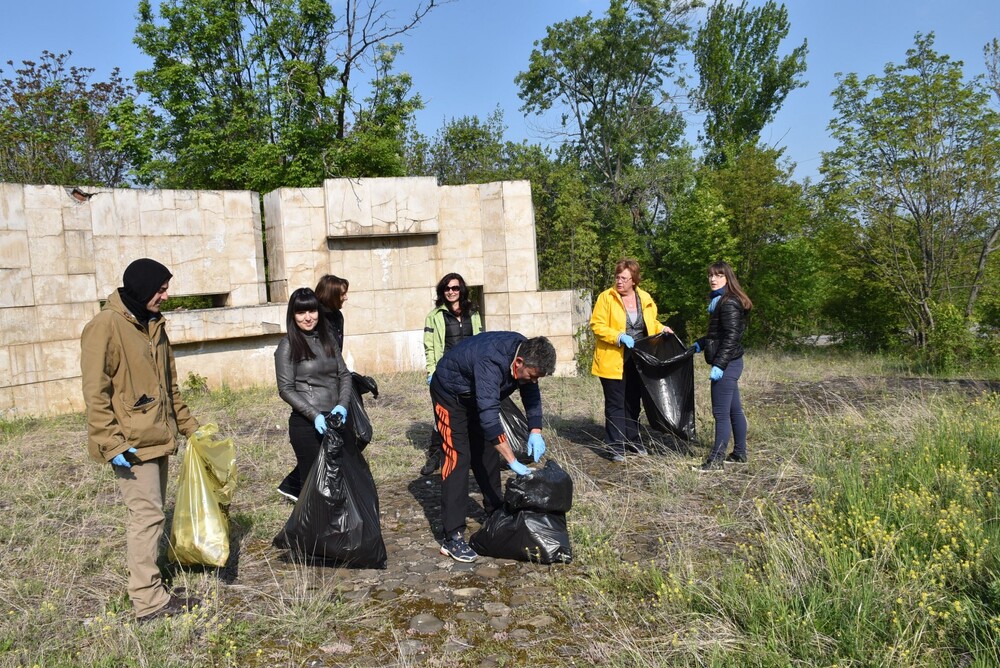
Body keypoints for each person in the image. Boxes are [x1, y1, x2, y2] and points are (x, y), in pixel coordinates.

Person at [80, 258, 202, 622]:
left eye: (166, 288)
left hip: (158, 436)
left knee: (151, 516)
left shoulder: (154, 325)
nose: (166, 295)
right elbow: (95, 393)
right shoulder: (104, 327)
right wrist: (112, 443)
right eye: (160, 289)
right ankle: (148, 603)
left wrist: (190, 427)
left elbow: (170, 386)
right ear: (141, 288)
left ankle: (152, 585)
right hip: (131, 445)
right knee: (146, 517)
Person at [431, 332, 556, 562]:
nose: (533, 381)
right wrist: (512, 460)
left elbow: (531, 395)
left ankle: (495, 511)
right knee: (457, 458)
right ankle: (452, 537)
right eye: (532, 375)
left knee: (488, 454)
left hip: (476, 393)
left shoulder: (526, 354)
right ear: (518, 363)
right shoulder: (492, 361)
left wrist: (535, 430)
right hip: (450, 393)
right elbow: (489, 419)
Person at [590, 259, 673, 462]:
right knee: (616, 402)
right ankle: (615, 446)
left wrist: (662, 328)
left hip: (638, 360)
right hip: (613, 359)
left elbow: (650, 322)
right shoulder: (606, 298)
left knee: (633, 402)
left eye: (624, 278)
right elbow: (597, 325)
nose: (619, 282)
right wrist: (618, 336)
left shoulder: (644, 298)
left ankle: (632, 440)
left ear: (634, 280)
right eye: (617, 277)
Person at [274, 287, 352, 501]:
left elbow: (344, 375)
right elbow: (285, 389)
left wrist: (342, 406)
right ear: (293, 315)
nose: (308, 318)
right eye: (301, 313)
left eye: (312, 311)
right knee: (315, 488)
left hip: (335, 418)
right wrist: (314, 415)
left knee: (340, 480)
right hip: (306, 424)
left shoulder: (327, 340)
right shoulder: (287, 345)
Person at [689, 261, 752, 472]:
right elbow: (719, 334)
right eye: (710, 275)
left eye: (719, 275)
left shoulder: (728, 302)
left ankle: (715, 461)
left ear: (728, 278)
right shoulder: (720, 301)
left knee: (721, 413)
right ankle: (740, 453)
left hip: (727, 364)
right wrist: (701, 343)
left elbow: (732, 336)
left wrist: (719, 365)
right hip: (731, 362)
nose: (713, 279)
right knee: (734, 410)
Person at [421, 273, 483, 476]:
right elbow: (429, 346)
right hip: (446, 373)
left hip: (470, 372)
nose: (451, 292)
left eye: (455, 288)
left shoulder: (473, 313)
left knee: (472, 412)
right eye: (447, 288)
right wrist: (432, 371)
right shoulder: (435, 316)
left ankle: (473, 454)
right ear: (442, 291)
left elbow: (481, 341)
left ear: (461, 290)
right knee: (442, 415)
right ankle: (435, 455)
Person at [315, 274, 349, 352]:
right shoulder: (315, 317)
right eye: (342, 294)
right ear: (331, 295)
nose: (346, 298)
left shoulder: (338, 315)